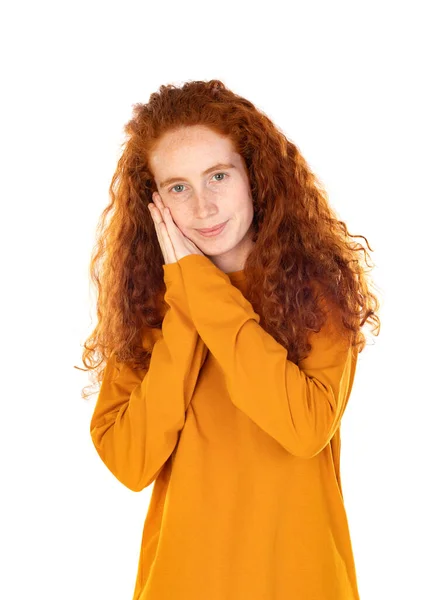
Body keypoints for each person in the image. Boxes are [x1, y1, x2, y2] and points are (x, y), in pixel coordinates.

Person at [80, 79, 381, 599]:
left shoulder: (317, 290)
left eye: (218, 175)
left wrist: (198, 287)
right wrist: (187, 298)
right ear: (156, 205)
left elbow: (303, 427)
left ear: (254, 176)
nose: (203, 206)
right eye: (178, 187)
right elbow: (130, 462)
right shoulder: (151, 309)